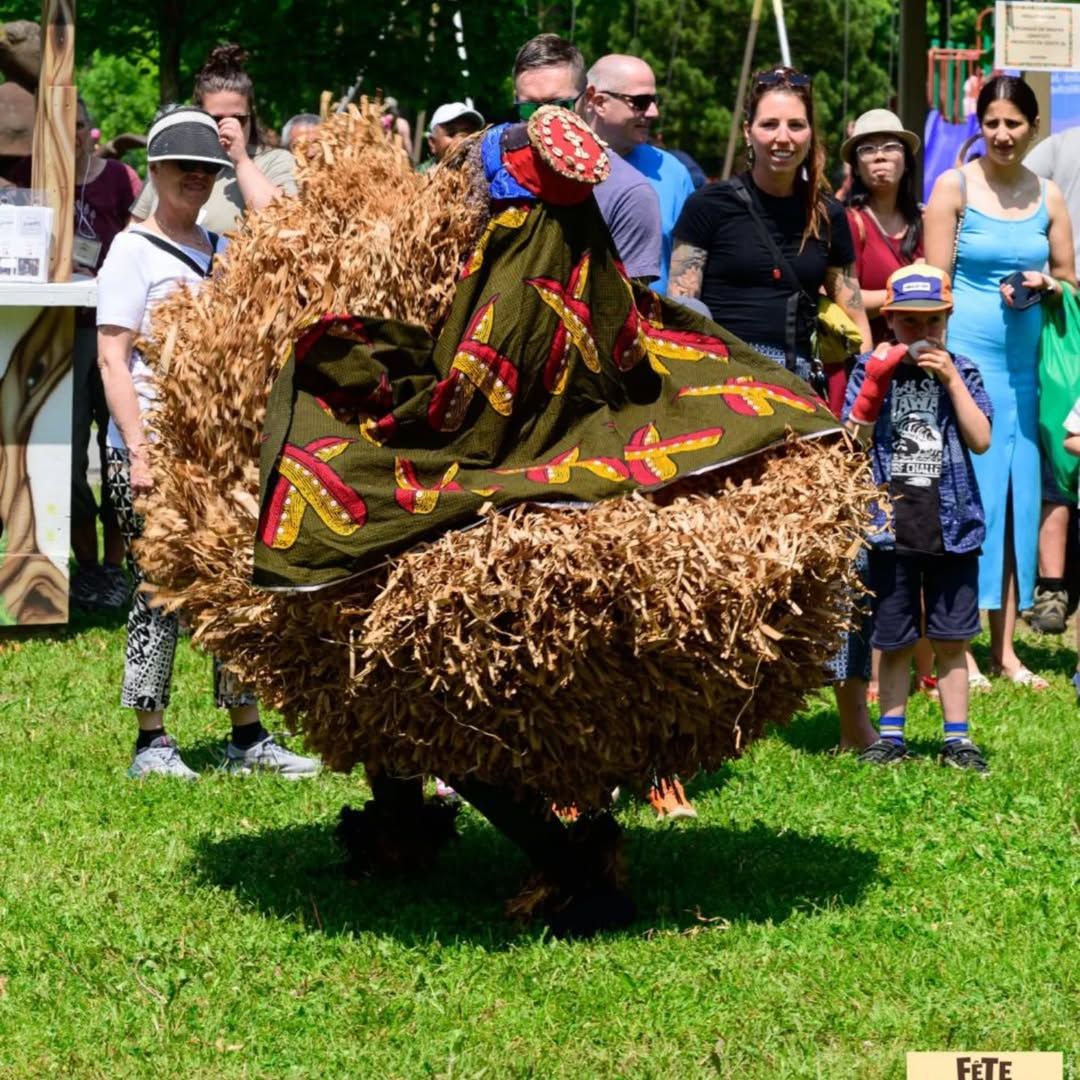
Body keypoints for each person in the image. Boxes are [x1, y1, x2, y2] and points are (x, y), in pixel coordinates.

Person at [96, 106, 319, 781]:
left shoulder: (222, 252)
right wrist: (138, 452)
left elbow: (291, 233)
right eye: (182, 167)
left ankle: (246, 737)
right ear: (154, 171)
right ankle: (152, 741)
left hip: (217, 450)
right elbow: (112, 358)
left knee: (234, 587)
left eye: (207, 169)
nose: (195, 178)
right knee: (159, 589)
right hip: (152, 448)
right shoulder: (131, 251)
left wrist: (243, 156)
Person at [669, 66, 874, 751]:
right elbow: (682, 305)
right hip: (726, 388)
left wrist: (866, 392)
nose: (782, 138)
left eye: (795, 125)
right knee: (719, 553)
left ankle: (852, 719)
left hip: (807, 390)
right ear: (748, 132)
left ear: (811, 133)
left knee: (843, 547)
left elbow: (849, 313)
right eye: (769, 124)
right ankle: (704, 715)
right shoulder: (709, 207)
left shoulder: (831, 215)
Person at [925, 75, 1076, 689]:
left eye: (1015, 123)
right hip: (967, 365)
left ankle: (1005, 651)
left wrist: (1050, 286)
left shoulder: (1051, 197)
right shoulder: (952, 187)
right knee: (968, 505)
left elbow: (1071, 281)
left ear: (1032, 128)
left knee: (1017, 507)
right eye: (992, 123)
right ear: (978, 126)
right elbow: (932, 287)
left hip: (1026, 371)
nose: (1003, 134)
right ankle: (955, 647)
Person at [843, 265, 992, 773]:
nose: (921, 334)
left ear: (947, 319)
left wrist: (950, 379)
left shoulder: (964, 369)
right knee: (895, 638)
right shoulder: (870, 367)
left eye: (931, 323)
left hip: (953, 526)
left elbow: (981, 438)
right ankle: (891, 735)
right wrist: (875, 387)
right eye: (908, 323)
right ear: (889, 322)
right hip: (890, 529)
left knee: (951, 639)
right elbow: (849, 444)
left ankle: (958, 738)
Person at [842, 108, 936, 701]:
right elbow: (848, 296)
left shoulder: (926, 220)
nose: (880, 157)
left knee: (927, 506)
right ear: (854, 160)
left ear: (906, 157)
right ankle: (878, 664)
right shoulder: (847, 222)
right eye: (868, 149)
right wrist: (905, 304)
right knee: (878, 522)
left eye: (890, 147)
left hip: (927, 376)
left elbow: (943, 290)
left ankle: (929, 659)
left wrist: (903, 309)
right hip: (870, 375)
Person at [512, 34, 662, 284]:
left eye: (558, 106)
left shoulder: (629, 194)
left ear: (588, 99)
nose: (542, 121)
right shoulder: (491, 169)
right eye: (529, 109)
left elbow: (625, 311)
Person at [131, 44, 297, 233]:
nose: (228, 127)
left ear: (251, 114)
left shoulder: (275, 161)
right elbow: (135, 227)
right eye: (216, 119)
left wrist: (241, 161)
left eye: (238, 119)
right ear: (199, 115)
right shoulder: (171, 160)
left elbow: (286, 223)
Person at [1024, 127, 1080, 635]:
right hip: (1067, 313)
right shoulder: (1061, 147)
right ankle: (1052, 587)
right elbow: (1019, 193)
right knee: (1059, 445)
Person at [583, 54, 695, 293]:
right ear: (598, 101)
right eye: (641, 101)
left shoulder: (674, 172)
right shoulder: (559, 163)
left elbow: (685, 265)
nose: (654, 112)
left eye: (655, 100)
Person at [421, 101, 484, 171]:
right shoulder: (418, 179)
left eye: (468, 134)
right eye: (451, 133)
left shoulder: (488, 176)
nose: (461, 140)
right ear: (432, 143)